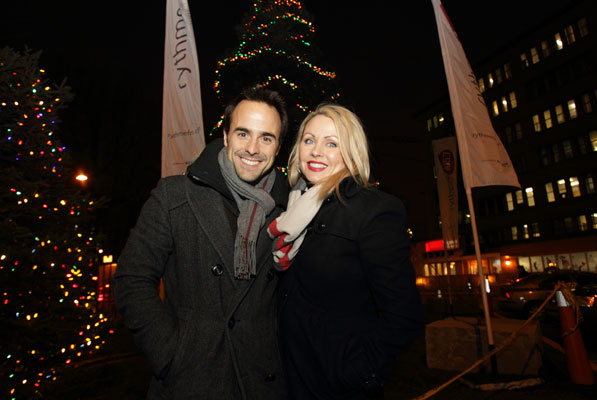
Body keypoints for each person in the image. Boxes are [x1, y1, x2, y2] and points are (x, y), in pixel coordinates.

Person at [113, 87, 290, 399]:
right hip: (191, 380)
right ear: (225, 136)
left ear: (277, 148)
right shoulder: (174, 196)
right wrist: (171, 355)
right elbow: (132, 279)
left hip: (262, 381)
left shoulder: (288, 213)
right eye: (243, 133)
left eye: (266, 138)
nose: (252, 148)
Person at [268, 103, 424, 399]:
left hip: (336, 387)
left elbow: (404, 316)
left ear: (352, 152)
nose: (316, 151)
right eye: (309, 140)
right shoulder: (292, 208)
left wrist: (358, 373)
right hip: (290, 380)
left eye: (332, 143)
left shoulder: (373, 210)